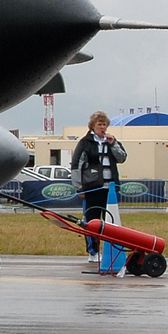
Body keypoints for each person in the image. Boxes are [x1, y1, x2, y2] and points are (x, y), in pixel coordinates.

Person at [70, 112, 126, 271]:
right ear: (93, 126)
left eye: (104, 125)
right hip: (92, 188)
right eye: (99, 125)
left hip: (111, 189)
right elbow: (76, 166)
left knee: (111, 221)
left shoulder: (111, 141)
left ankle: (112, 250)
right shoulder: (85, 143)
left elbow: (122, 157)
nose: (102, 128)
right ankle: (93, 251)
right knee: (92, 221)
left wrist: (113, 143)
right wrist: (79, 187)